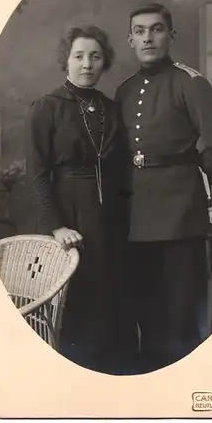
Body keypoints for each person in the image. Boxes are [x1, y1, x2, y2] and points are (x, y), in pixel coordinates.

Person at [115, 3, 212, 374]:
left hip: (179, 216)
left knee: (178, 312)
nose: (148, 38)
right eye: (139, 31)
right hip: (134, 218)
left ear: (170, 36)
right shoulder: (124, 91)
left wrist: (193, 179)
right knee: (144, 306)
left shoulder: (190, 82)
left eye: (156, 30)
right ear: (130, 40)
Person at [25, 24, 126, 373]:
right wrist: (56, 226)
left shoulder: (112, 109)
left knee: (108, 300)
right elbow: (37, 175)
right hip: (67, 216)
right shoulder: (46, 107)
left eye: (95, 56)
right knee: (75, 303)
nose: (87, 64)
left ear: (104, 62)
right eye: (79, 56)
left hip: (109, 218)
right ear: (66, 60)